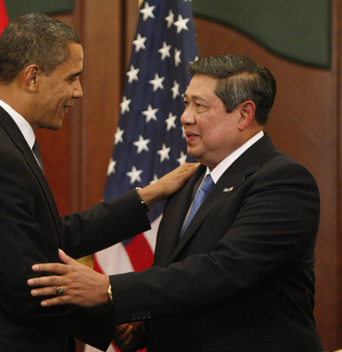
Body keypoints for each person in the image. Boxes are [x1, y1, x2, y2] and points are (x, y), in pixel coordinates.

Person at [0, 13, 197, 352]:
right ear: (33, 77)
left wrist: (147, 196)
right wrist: (110, 318)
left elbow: (52, 237)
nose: (79, 92)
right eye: (72, 78)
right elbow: (29, 285)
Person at [28, 54, 323, 351]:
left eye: (200, 105)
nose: (185, 117)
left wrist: (109, 289)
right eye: (186, 103)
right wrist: (143, 324)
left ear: (244, 115)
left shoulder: (283, 181)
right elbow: (181, 279)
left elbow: (224, 271)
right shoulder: (188, 182)